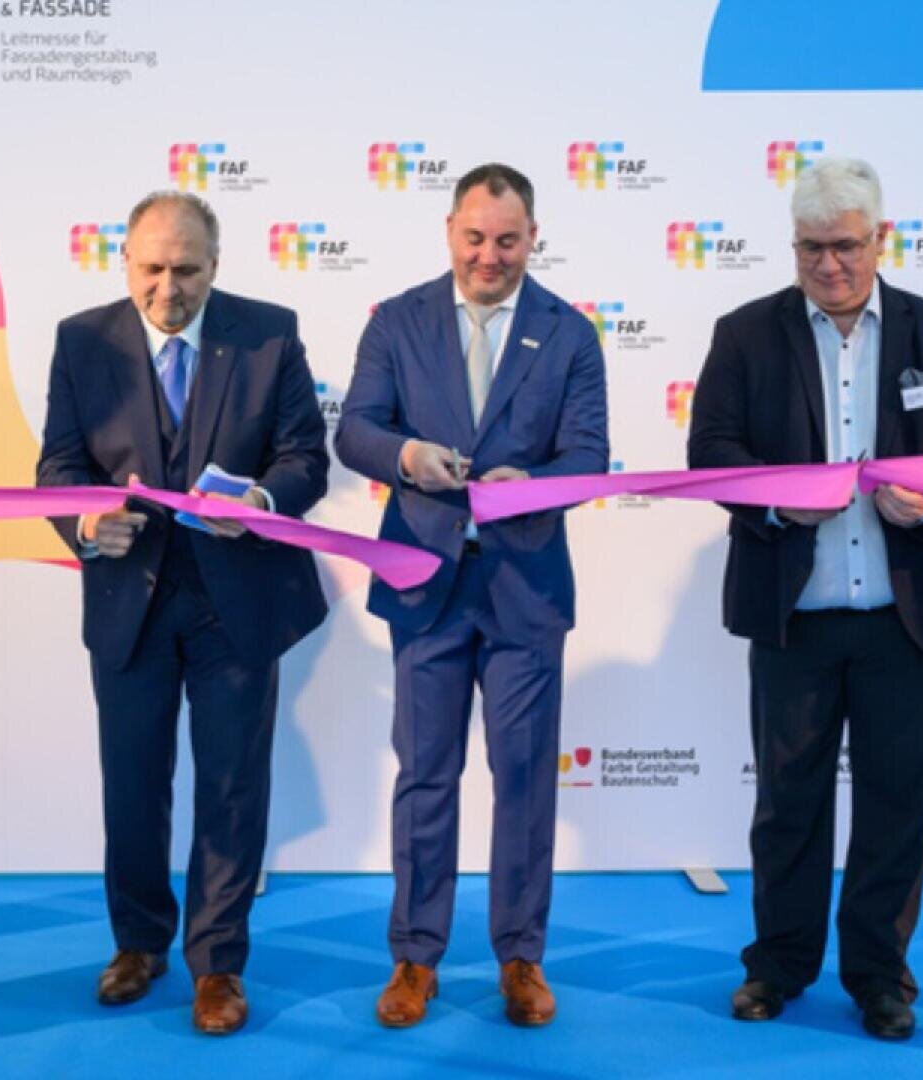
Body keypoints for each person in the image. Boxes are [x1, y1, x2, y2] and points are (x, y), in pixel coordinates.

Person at [687, 157, 923, 1040]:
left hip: (910, 615)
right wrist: (782, 498)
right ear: (793, 246)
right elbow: (712, 451)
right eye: (812, 248)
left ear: (881, 241)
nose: (830, 265)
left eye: (847, 247)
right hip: (795, 614)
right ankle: (779, 965)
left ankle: (879, 975)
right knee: (788, 801)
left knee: (899, 802)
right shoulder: (745, 333)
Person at [36, 190, 329, 1035]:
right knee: (133, 785)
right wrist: (85, 523)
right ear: (123, 262)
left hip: (238, 601)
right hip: (128, 601)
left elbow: (306, 455)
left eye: (188, 269)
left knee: (233, 789)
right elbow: (58, 463)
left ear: (217, 264)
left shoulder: (271, 332)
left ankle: (219, 966)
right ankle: (138, 943)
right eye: (153, 268)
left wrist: (265, 500)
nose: (169, 288)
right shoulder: (81, 340)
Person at [336, 163, 609, 1030]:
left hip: (525, 589)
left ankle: (521, 957)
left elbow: (590, 456)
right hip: (425, 583)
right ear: (450, 231)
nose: (489, 254)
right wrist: (408, 457)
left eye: (508, 239)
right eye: (475, 236)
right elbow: (355, 431)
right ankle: (416, 956)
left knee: (525, 778)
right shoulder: (396, 321)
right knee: (425, 775)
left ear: (534, 238)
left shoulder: (570, 334)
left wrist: (528, 481)